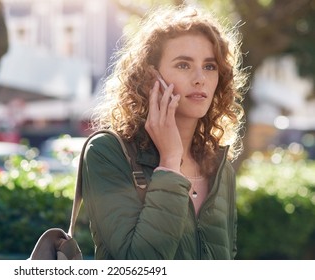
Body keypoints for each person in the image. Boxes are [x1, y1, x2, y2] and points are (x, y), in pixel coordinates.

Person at [81, 5, 248, 260]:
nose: (200, 78)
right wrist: (170, 162)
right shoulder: (107, 152)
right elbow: (138, 265)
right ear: (151, 77)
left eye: (210, 66)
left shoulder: (219, 166)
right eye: (183, 65)